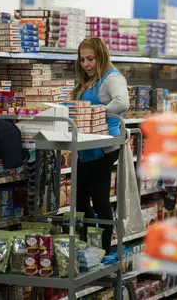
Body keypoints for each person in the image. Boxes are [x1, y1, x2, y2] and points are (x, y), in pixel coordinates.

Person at [70, 37, 130, 253]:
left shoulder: (112, 78)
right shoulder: (87, 80)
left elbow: (122, 102)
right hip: (86, 145)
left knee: (100, 199)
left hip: (105, 146)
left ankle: (103, 248)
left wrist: (95, 113)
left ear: (101, 57)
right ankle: (85, 245)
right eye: (82, 59)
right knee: (80, 199)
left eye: (90, 59)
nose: (85, 64)